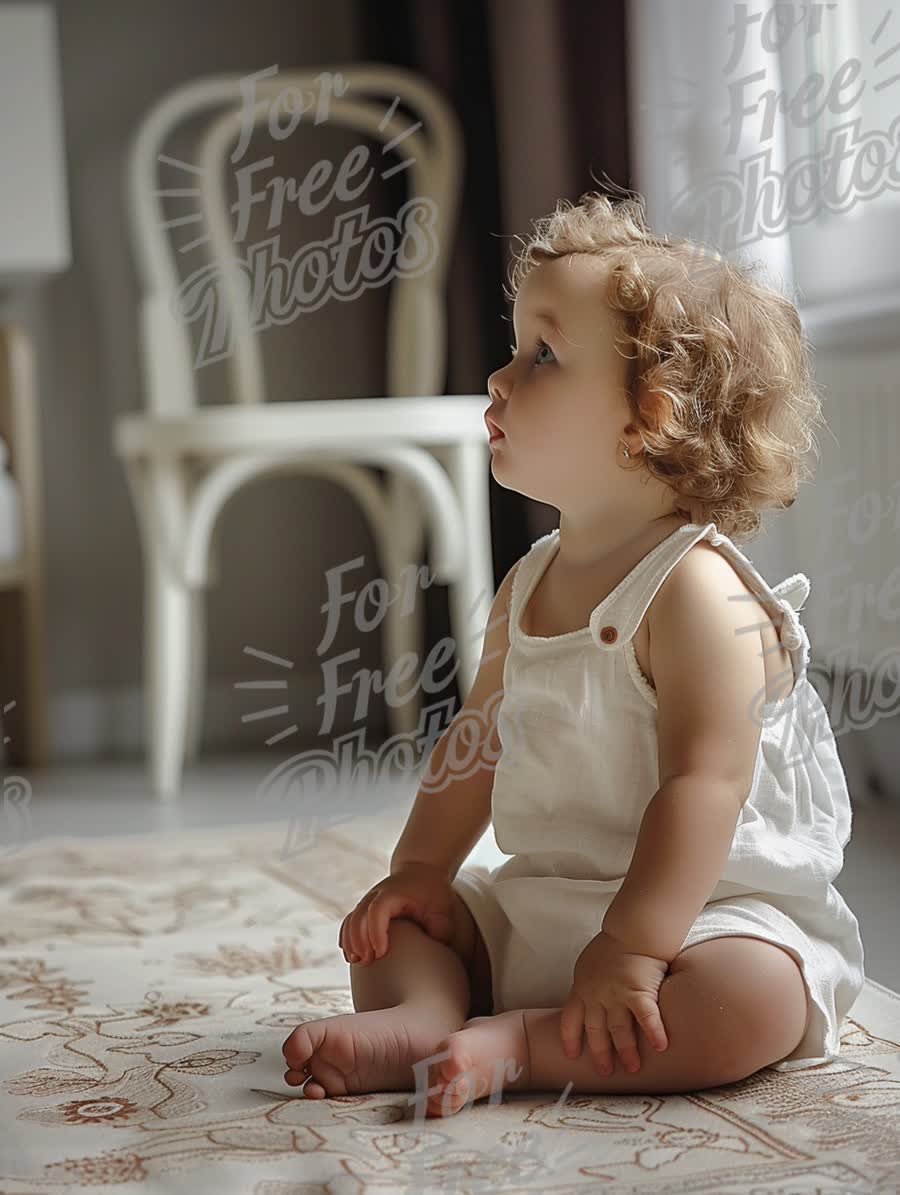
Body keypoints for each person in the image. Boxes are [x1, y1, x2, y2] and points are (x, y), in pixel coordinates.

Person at [281, 191, 865, 1116]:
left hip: (696, 923)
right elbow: (476, 743)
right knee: (398, 932)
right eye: (516, 351)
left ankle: (521, 1043)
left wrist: (634, 946)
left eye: (542, 356)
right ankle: (427, 1019)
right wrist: (423, 873)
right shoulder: (530, 585)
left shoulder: (698, 594)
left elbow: (703, 787)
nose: (499, 380)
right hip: (544, 908)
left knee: (749, 1002)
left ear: (650, 419)